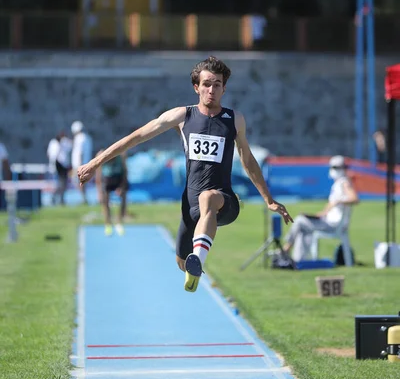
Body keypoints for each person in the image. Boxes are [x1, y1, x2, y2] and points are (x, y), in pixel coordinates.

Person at [77, 56, 293, 292]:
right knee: (181, 260)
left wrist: (268, 199)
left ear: (224, 88)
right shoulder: (182, 117)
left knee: (208, 197)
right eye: (207, 84)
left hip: (224, 200)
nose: (212, 90)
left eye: (217, 85)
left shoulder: (235, 120)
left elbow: (248, 160)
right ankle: (193, 267)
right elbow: (135, 138)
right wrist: (96, 162)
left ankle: (198, 259)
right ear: (196, 87)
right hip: (190, 206)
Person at [282, 155, 359, 262]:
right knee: (303, 227)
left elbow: (354, 199)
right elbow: (331, 205)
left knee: (300, 221)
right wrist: (321, 214)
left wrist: (338, 201)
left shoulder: (344, 182)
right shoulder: (338, 184)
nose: (333, 171)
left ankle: (286, 249)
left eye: (336, 168)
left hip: (334, 225)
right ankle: (298, 260)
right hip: (328, 220)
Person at [95, 150, 128, 236]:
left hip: (118, 178)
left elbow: (125, 173)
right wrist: (99, 192)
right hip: (107, 179)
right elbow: (98, 176)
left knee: (124, 196)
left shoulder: (121, 156)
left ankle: (119, 222)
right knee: (105, 200)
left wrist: (121, 186)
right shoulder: (101, 157)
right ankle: (108, 223)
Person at [71, 121, 93, 204]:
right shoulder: (87, 138)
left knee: (78, 182)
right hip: (87, 163)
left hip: (78, 165)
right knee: (83, 182)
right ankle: (84, 198)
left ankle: (84, 199)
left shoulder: (79, 139)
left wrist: (79, 165)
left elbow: (80, 152)